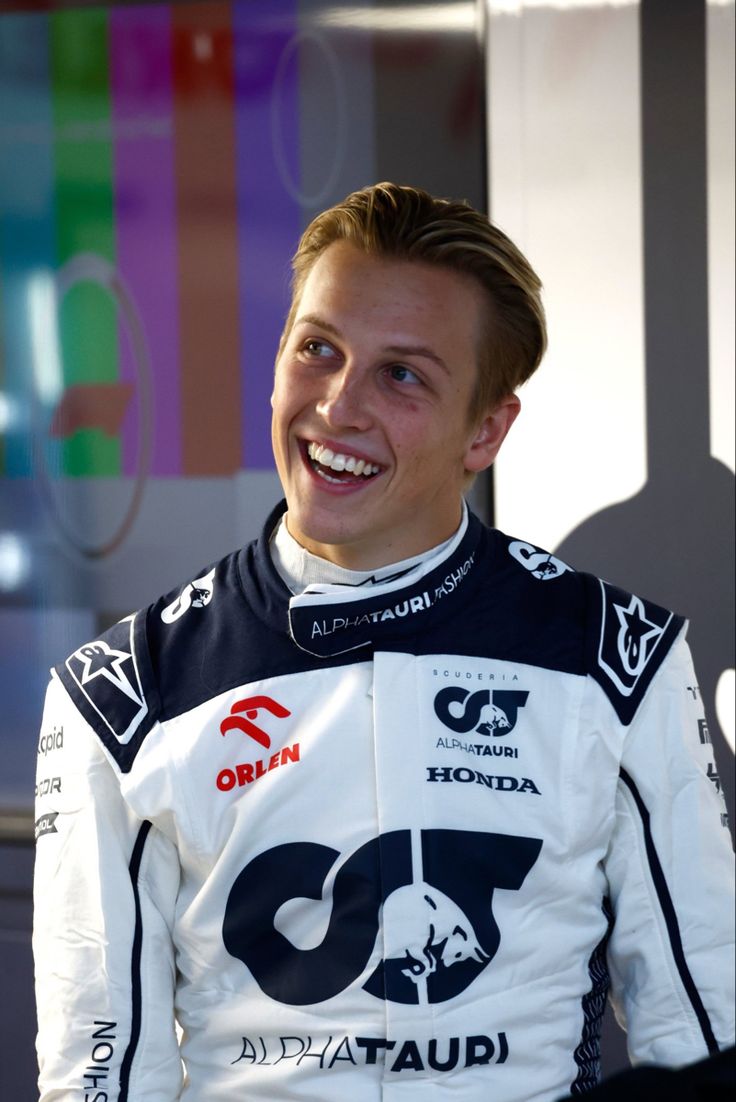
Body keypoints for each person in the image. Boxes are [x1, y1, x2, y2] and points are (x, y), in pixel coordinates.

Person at [33, 183, 734, 1102]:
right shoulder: (124, 693)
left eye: (402, 374)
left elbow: (704, 1024)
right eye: (318, 349)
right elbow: (99, 1076)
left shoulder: (616, 657)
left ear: (486, 428)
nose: (338, 406)